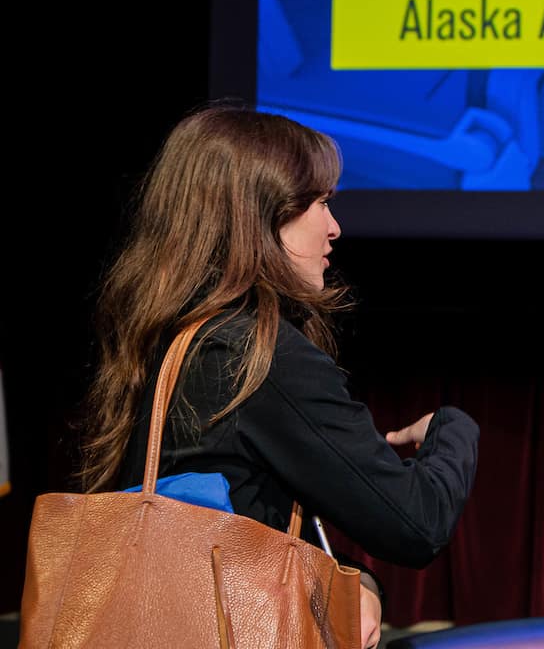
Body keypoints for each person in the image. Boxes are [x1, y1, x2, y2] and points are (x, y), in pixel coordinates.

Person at [77, 102, 480, 649]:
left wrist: (358, 583)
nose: (334, 228)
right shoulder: (256, 356)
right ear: (259, 215)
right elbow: (415, 524)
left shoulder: (161, 340)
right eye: (318, 203)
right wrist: (452, 430)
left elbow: (245, 526)